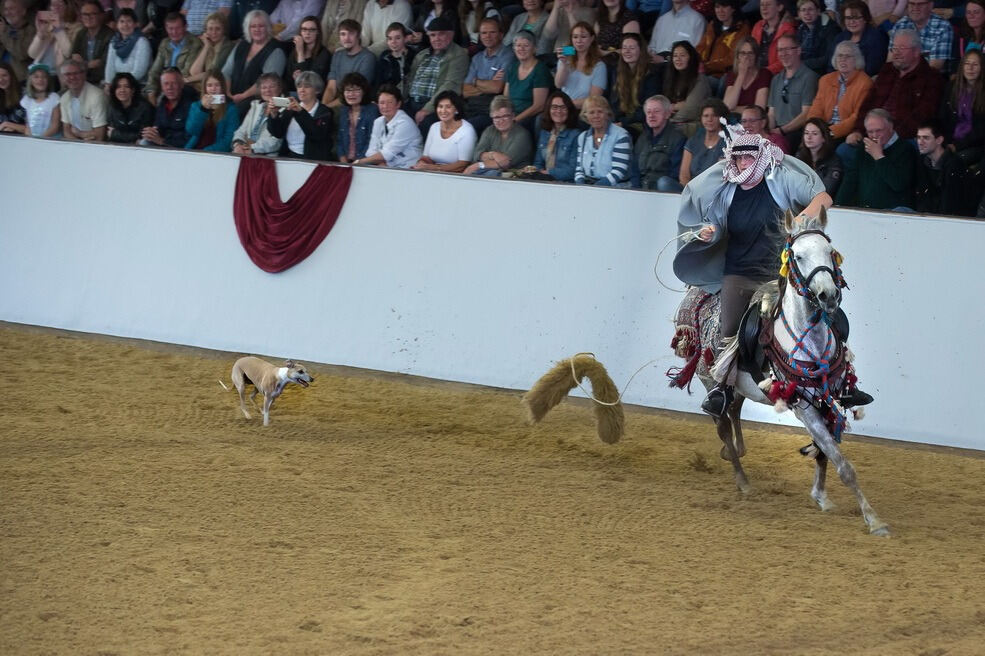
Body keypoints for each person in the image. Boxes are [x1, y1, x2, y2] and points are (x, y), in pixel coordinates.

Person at [673, 123, 836, 417]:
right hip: (739, 272)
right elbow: (712, 223)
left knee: (826, 311)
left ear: (761, 156)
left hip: (783, 274)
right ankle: (722, 389)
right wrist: (707, 232)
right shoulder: (726, 190)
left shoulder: (781, 179)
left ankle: (840, 381)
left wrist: (802, 218)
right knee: (729, 331)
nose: (742, 164)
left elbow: (823, 198)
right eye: (737, 159)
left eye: (748, 158)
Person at [843, 29, 943, 147]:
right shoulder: (887, 70)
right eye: (894, 48)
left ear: (916, 51)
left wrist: (892, 137)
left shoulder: (931, 77)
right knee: (843, 151)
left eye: (901, 48)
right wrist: (858, 130)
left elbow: (923, 116)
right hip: (873, 132)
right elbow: (868, 104)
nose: (896, 53)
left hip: (904, 138)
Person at [835, 108, 917, 210]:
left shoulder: (906, 149)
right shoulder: (863, 149)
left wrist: (879, 156)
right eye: (870, 132)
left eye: (879, 130)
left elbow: (898, 184)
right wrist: (837, 207)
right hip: (866, 212)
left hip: (895, 215)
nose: (874, 135)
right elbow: (850, 181)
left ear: (891, 127)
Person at [405, 15, 468, 124]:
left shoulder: (459, 55)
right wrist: (391, 98)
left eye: (441, 34)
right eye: (432, 35)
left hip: (435, 106)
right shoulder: (421, 55)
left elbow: (450, 86)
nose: (436, 38)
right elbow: (408, 80)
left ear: (451, 35)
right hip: (411, 102)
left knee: (426, 122)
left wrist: (426, 109)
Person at [222, 9, 287, 114]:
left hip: (256, 98)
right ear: (248, 29)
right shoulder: (242, 44)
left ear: (268, 28)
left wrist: (243, 96)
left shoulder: (276, 50)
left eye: (261, 26)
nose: (257, 29)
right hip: (232, 94)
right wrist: (228, 93)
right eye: (253, 26)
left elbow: (267, 83)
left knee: (234, 112)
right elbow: (226, 72)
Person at [807, 40, 871, 140]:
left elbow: (856, 117)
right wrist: (814, 129)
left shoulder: (865, 83)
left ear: (856, 60)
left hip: (845, 133)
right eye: (840, 56)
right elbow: (816, 109)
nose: (843, 59)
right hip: (823, 129)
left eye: (847, 56)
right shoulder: (825, 80)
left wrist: (830, 133)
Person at [766, 33, 816, 153]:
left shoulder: (809, 77)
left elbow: (806, 114)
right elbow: (771, 114)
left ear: (798, 50)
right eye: (780, 50)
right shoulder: (776, 79)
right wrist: (768, 133)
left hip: (797, 133)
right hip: (778, 132)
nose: (783, 54)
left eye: (788, 49)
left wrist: (782, 131)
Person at [913, 119, 975, 216]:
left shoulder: (954, 164)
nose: (920, 142)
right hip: (928, 218)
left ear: (939, 140)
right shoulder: (922, 161)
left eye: (926, 138)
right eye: (918, 137)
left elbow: (951, 203)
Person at [461, 17, 513, 133]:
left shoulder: (508, 55)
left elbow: (497, 88)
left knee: (466, 129)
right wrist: (488, 84)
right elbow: (465, 91)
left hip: (491, 109)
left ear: (501, 34)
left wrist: (475, 81)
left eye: (492, 32)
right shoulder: (477, 57)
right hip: (471, 107)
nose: (487, 36)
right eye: (484, 33)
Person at [267, 69, 334, 158]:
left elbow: (316, 135)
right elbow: (277, 133)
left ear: (317, 90)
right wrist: (274, 115)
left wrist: (300, 112)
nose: (302, 90)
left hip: (312, 160)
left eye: (307, 86)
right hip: (289, 156)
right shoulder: (291, 108)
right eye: (299, 86)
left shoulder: (325, 112)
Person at [464, 94, 533, 174]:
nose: (501, 121)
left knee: (489, 172)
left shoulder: (522, 135)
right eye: (497, 117)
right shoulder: (490, 130)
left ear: (513, 116)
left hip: (515, 176)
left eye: (505, 116)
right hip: (491, 172)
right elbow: (477, 155)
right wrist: (493, 154)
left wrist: (479, 165)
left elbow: (506, 163)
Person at [356, 83, 422, 167]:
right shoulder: (378, 122)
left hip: (408, 168)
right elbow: (371, 151)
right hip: (386, 167)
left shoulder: (405, 123)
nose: (385, 106)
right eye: (382, 103)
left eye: (390, 102)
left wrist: (359, 162)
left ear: (398, 104)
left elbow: (388, 153)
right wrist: (381, 163)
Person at [608, 32, 661, 137]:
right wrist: (614, 121)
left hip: (641, 122)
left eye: (631, 48)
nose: (627, 51)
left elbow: (647, 108)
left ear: (641, 51)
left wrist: (623, 123)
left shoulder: (651, 73)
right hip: (621, 121)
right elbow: (614, 103)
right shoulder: (617, 72)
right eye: (624, 48)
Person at [940, 49, 985, 168]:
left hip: (975, 145)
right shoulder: (951, 87)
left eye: (975, 64)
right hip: (950, 140)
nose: (970, 68)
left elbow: (981, 131)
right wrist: (944, 142)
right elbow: (942, 117)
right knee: (928, 155)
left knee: (952, 163)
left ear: (982, 68)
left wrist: (957, 146)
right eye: (967, 63)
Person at [145, 12, 204, 104]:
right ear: (166, 28)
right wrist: (151, 92)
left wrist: (164, 90)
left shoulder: (195, 44)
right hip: (165, 88)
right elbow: (154, 71)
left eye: (177, 28)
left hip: (184, 89)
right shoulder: (164, 43)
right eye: (170, 28)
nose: (174, 32)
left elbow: (185, 74)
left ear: (185, 27)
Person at [574, 94, 632, 186]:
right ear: (586, 116)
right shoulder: (582, 137)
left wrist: (597, 188)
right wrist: (581, 186)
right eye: (591, 112)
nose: (596, 116)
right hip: (588, 188)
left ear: (607, 114)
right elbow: (579, 169)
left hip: (615, 188)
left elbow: (619, 170)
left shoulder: (620, 135)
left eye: (600, 112)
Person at [413, 89, 476, 171]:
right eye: (440, 106)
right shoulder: (434, 127)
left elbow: (462, 165)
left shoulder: (467, 130)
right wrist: (421, 163)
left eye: (448, 107)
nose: (443, 111)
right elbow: (426, 157)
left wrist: (434, 168)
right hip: (431, 173)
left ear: (456, 109)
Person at [502, 28, 548, 134]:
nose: (521, 49)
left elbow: (539, 105)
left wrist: (515, 120)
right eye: (518, 45)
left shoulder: (540, 70)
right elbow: (505, 98)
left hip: (529, 117)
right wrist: (504, 117)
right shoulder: (512, 68)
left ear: (535, 49)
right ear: (514, 49)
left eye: (526, 45)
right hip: (511, 115)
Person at [635, 94, 686, 191]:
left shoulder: (677, 138)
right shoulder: (642, 138)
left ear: (667, 114)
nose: (651, 115)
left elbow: (675, 174)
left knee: (663, 182)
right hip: (642, 188)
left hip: (663, 191)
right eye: (648, 112)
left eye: (656, 111)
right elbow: (634, 168)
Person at [529, 89, 581, 181]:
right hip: (544, 181)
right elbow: (538, 162)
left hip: (566, 184)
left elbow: (573, 170)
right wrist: (534, 171)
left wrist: (548, 173)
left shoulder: (576, 135)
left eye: (563, 107)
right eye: (554, 107)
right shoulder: (544, 133)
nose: (559, 111)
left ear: (569, 110)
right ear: (548, 110)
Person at [322, 18, 376, 106]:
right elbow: (331, 88)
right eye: (343, 34)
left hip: (356, 103)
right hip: (337, 100)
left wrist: (328, 107)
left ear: (358, 35)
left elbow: (354, 93)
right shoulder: (337, 55)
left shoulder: (368, 57)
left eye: (351, 33)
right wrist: (322, 107)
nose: (347, 38)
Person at [888, 0, 952, 72]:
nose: (915, 8)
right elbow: (890, 61)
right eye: (912, 3)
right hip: (901, 76)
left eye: (920, 4)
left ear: (930, 5)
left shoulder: (942, 26)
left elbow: (934, 68)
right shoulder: (900, 24)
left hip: (929, 78)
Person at [142, 66, 199, 146]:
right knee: (144, 142)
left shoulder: (193, 105)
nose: (169, 87)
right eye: (166, 84)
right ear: (162, 87)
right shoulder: (162, 103)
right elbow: (158, 127)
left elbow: (190, 140)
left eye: (174, 83)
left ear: (181, 84)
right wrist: (151, 133)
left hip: (181, 152)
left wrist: (162, 141)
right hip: (163, 146)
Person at [183, 69, 239, 149]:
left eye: (217, 85)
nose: (213, 89)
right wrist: (203, 109)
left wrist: (206, 151)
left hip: (215, 153)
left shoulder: (231, 109)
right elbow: (191, 130)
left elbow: (228, 140)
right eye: (209, 85)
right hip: (195, 150)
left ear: (222, 87)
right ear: (205, 88)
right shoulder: (196, 106)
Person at [555, 21, 606, 109]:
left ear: (592, 38)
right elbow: (558, 84)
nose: (579, 40)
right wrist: (563, 64)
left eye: (583, 37)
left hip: (585, 110)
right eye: (575, 37)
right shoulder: (565, 59)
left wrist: (567, 105)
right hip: (564, 108)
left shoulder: (599, 66)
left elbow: (594, 99)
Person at [664, 40, 710, 137]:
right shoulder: (671, 79)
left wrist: (668, 121)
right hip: (674, 121)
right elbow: (664, 104)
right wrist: (676, 106)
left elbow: (691, 109)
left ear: (691, 58)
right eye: (675, 56)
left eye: (682, 55)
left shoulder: (700, 80)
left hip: (694, 123)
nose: (678, 59)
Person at [678, 97, 728, 186]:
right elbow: (684, 174)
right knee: (665, 182)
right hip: (689, 189)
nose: (709, 119)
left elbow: (720, 177)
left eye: (714, 115)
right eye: (706, 116)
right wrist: (691, 191)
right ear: (701, 118)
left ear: (721, 118)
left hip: (712, 191)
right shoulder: (693, 141)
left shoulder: (727, 143)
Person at [232, 71, 285, 154]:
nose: (267, 90)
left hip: (266, 157)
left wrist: (252, 148)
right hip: (245, 151)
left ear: (280, 88)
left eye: (272, 86)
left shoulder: (286, 110)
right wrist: (237, 144)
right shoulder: (255, 106)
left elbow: (276, 142)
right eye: (264, 87)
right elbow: (242, 130)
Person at [696, 0, 750, 81]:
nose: (720, 11)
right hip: (703, 72)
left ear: (733, 8)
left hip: (721, 76)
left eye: (724, 6)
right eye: (717, 7)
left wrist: (706, 67)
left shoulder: (742, 28)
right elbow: (700, 47)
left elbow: (733, 59)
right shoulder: (712, 25)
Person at [830, 1, 887, 78]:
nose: (852, 22)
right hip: (840, 79)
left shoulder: (876, 37)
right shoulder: (840, 38)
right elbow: (830, 66)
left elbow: (872, 69)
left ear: (865, 19)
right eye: (848, 18)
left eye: (856, 18)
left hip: (864, 80)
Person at [58, 58, 109, 140]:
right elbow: (66, 130)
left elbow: (100, 135)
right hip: (76, 145)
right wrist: (78, 144)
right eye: (67, 74)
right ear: (62, 77)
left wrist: (80, 134)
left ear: (84, 74)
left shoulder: (97, 96)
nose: (72, 77)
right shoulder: (64, 98)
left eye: (76, 73)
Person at [336, 70, 379, 161]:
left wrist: (358, 162)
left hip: (366, 162)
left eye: (356, 90)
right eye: (348, 90)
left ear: (364, 91)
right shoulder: (343, 111)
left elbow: (372, 141)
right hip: (347, 162)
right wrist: (344, 162)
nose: (351, 94)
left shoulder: (372, 111)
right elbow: (340, 140)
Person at [103, 8, 153, 86]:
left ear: (136, 24)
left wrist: (122, 85)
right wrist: (108, 84)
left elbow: (139, 71)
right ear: (117, 25)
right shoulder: (114, 42)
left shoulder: (142, 42)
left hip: (138, 85)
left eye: (129, 21)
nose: (125, 25)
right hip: (118, 85)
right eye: (122, 21)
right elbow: (110, 67)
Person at [186, 11, 235, 90]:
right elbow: (194, 72)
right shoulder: (208, 44)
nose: (213, 32)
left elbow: (213, 73)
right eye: (210, 29)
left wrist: (186, 80)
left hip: (218, 89)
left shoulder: (228, 47)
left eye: (218, 29)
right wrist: (206, 47)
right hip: (205, 87)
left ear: (224, 30)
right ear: (205, 31)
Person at [723, 36, 771, 116]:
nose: (746, 57)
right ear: (738, 56)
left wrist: (734, 109)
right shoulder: (732, 74)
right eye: (743, 53)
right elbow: (728, 106)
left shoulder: (764, 74)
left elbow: (759, 109)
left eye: (750, 53)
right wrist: (741, 75)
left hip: (753, 121)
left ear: (756, 56)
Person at [69, 1, 114, 85]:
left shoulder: (109, 35)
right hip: (81, 80)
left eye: (93, 14)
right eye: (85, 14)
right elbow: (73, 58)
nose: (88, 17)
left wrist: (82, 64)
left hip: (101, 82)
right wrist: (88, 64)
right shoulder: (81, 33)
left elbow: (103, 63)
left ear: (101, 15)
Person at [284, 15, 331, 91]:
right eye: (304, 29)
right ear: (300, 32)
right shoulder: (294, 52)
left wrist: (300, 52)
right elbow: (288, 79)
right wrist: (294, 78)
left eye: (312, 30)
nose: (307, 33)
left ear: (317, 32)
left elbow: (310, 83)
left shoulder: (324, 54)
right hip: (293, 93)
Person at [795, 117, 841, 195]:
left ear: (824, 138)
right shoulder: (799, 157)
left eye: (814, 134)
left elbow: (826, 190)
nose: (809, 137)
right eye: (806, 133)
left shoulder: (833, 161)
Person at [26, 0, 76, 73]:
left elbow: (69, 53)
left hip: (60, 75)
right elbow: (32, 54)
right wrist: (40, 34)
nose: (56, 7)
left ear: (67, 7)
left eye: (60, 4)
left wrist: (59, 30)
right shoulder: (47, 26)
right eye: (53, 4)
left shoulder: (75, 28)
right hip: (40, 73)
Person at [12, 62, 61, 136]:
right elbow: (28, 125)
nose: (40, 79)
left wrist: (40, 140)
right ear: (30, 80)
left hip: (50, 139)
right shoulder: (27, 100)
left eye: (44, 77)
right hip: (33, 140)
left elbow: (55, 126)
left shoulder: (54, 98)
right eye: (36, 77)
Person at [106, 70, 154, 141]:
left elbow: (144, 136)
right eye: (118, 87)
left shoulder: (145, 108)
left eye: (126, 86)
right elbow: (109, 132)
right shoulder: (112, 106)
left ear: (133, 90)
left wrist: (116, 134)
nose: (122, 90)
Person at [750, 0, 794, 75]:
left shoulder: (787, 29)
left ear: (779, 7)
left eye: (768, 4)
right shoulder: (758, 26)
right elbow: (750, 51)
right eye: (762, 5)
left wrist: (763, 72)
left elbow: (785, 60)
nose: (764, 8)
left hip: (775, 74)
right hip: (755, 71)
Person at [793, 0, 836, 75]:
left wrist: (802, 64)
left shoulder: (830, 28)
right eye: (803, 10)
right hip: (803, 70)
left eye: (810, 9)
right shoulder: (800, 29)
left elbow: (828, 58)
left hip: (822, 72)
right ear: (799, 14)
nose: (807, 13)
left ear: (818, 11)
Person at [375, 21, 415, 95]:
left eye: (397, 38)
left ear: (405, 38)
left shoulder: (413, 56)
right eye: (390, 39)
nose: (393, 42)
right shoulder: (384, 56)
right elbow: (378, 81)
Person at [0, 0, 35, 81]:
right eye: (6, 9)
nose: (8, 13)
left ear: (23, 11)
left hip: (20, 81)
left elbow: (21, 54)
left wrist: (3, 35)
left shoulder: (31, 30)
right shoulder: (5, 29)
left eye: (12, 8)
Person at [0, 61, 26, 131]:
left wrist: (7, 124)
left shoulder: (24, 93)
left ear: (11, 76)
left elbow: (31, 128)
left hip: (24, 138)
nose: (1, 80)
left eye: (4, 75)